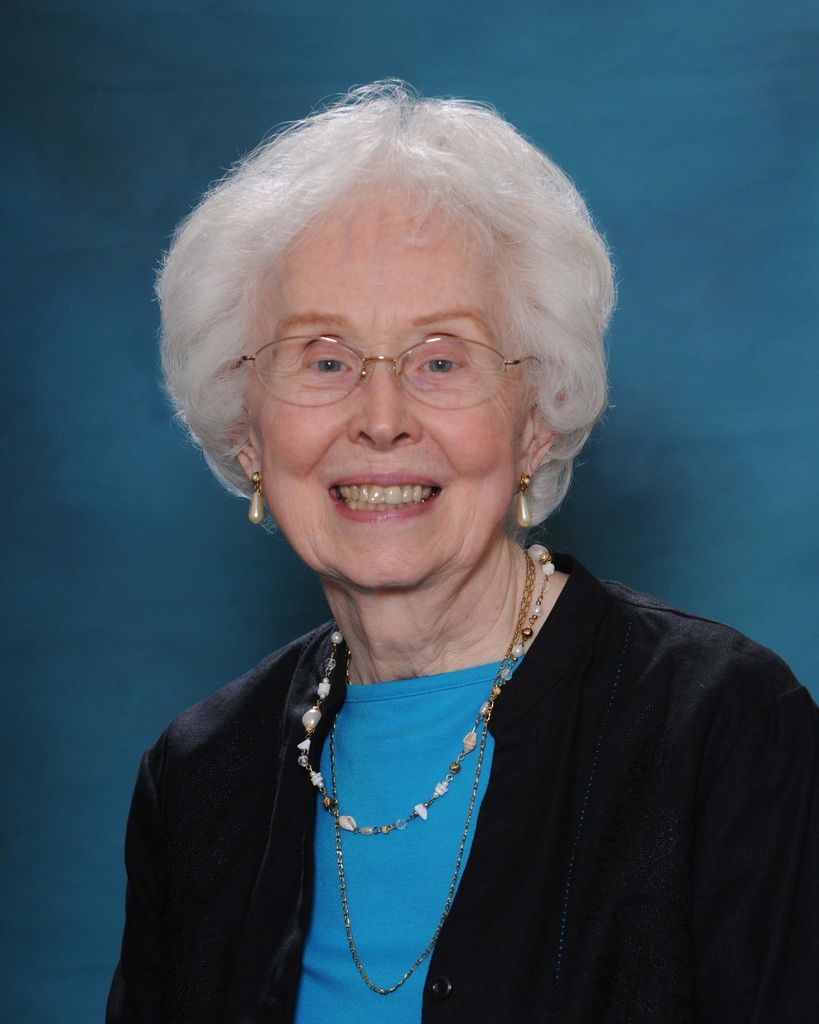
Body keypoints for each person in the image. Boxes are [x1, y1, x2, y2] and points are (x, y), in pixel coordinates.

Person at [107, 83, 817, 1023]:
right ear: (247, 434)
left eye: (441, 360)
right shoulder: (199, 779)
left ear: (536, 420)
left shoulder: (722, 729)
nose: (381, 419)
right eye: (323, 359)